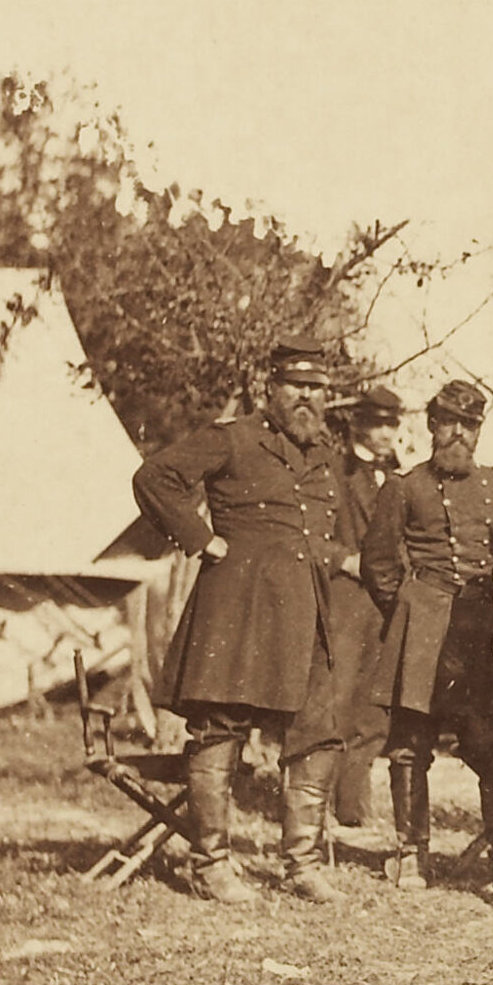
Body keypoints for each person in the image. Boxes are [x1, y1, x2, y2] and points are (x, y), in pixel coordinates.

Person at [130, 342, 362, 903]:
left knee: (317, 733)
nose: (307, 398)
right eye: (295, 386)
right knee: (219, 730)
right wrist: (200, 539)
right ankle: (210, 864)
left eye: (317, 389)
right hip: (239, 610)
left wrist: (339, 560)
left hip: (305, 613)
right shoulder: (231, 437)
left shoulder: (326, 455)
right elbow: (153, 477)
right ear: (271, 388)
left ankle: (302, 863)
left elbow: (311, 536)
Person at [363, 380, 493, 895]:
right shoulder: (404, 487)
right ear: (432, 425)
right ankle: (411, 854)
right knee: (411, 745)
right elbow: (379, 565)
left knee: (492, 747)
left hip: (478, 633)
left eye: (469, 424)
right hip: (424, 628)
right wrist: (411, 613)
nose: (459, 434)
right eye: (449, 422)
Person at [324, 382, 408, 843]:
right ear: (357, 423)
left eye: (392, 423)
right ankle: (318, 803)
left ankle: (353, 807)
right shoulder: (334, 472)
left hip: (385, 604)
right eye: (377, 423)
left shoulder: (399, 476)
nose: (386, 433)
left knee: (376, 709)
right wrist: (346, 560)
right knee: (337, 701)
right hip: (347, 599)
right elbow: (312, 532)